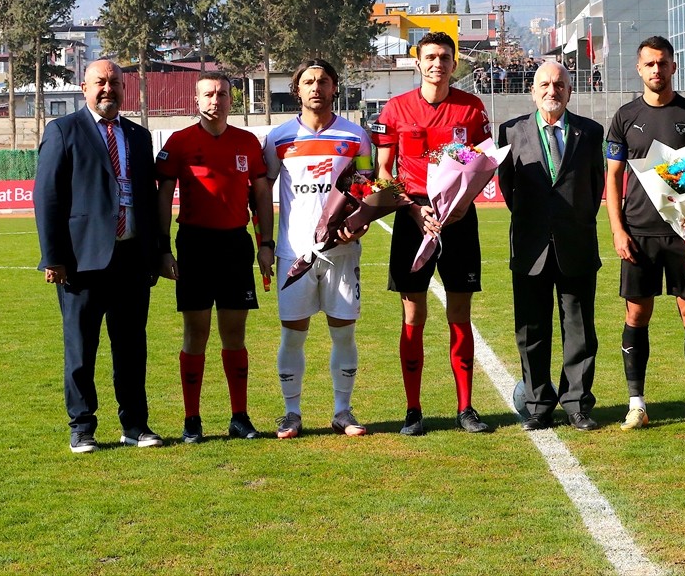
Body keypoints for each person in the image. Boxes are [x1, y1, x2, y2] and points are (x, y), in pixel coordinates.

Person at [33, 59, 161, 453]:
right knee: (80, 349)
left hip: (130, 259)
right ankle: (82, 427)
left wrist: (154, 254)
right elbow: (47, 196)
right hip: (81, 262)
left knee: (131, 349)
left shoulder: (139, 137)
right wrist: (53, 257)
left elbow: (149, 199)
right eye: (100, 83)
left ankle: (135, 426)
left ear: (125, 89)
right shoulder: (62, 130)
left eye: (116, 83)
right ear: (84, 87)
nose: (109, 89)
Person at [372, 30, 492, 435]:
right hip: (412, 217)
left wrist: (460, 203)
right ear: (417, 62)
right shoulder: (395, 109)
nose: (437, 64)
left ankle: (466, 408)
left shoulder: (471, 109)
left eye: (444, 57)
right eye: (430, 57)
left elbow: (484, 161)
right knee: (413, 314)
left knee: (460, 313)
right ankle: (413, 409)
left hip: (458, 219)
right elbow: (384, 173)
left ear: (454, 64)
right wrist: (411, 207)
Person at [605, 37, 685, 432]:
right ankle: (636, 404)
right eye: (650, 64)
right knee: (637, 314)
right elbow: (613, 178)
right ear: (639, 69)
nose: (657, 70)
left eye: (663, 63)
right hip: (638, 233)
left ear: (674, 67)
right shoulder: (624, 117)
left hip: (680, 236)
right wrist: (618, 229)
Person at [156, 72, 272, 444]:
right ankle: (192, 420)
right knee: (196, 334)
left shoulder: (248, 142)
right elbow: (162, 198)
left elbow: (261, 196)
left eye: (222, 94)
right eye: (208, 94)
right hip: (195, 245)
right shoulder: (179, 142)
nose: (215, 100)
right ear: (197, 100)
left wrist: (265, 242)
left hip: (236, 246)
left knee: (234, 335)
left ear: (230, 99)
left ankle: (239, 416)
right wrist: (163, 248)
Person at [262, 59, 373, 440]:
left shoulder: (357, 136)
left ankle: (343, 411)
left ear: (334, 87)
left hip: (342, 253)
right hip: (295, 254)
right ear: (297, 90)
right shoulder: (278, 139)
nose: (316, 87)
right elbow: (263, 192)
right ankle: (291, 413)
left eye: (323, 81)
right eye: (308, 81)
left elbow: (367, 191)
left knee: (343, 333)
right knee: (293, 335)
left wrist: (359, 227)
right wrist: (265, 243)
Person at [498, 62, 605, 431]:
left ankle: (577, 403)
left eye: (559, 84)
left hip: (576, 244)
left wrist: (570, 223)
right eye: (544, 84)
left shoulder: (591, 132)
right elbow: (508, 189)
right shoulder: (510, 132)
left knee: (579, 330)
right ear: (532, 90)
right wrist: (537, 223)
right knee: (531, 330)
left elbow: (595, 188)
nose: (552, 90)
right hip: (530, 248)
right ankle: (539, 404)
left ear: (570, 90)